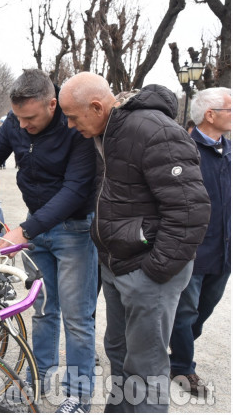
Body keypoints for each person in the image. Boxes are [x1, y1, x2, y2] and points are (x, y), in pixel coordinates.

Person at [0, 69, 98, 413]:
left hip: (75, 230)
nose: (23, 125)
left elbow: (76, 190)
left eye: (30, 118)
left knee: (77, 317)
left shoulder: (75, 127)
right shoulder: (15, 122)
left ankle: (79, 397)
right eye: (19, 117)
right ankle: (36, 380)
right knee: (42, 310)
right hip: (39, 229)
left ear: (53, 105)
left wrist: (25, 230)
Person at [59, 72, 211, 412]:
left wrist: (154, 273)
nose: (69, 125)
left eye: (72, 116)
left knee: (146, 367)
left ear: (97, 106)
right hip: (120, 265)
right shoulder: (108, 131)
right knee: (119, 352)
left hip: (146, 271)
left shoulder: (152, 131)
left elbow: (191, 211)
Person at [169, 87, 231, 397]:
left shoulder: (229, 149)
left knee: (203, 312)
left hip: (223, 250)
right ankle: (182, 367)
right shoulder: (185, 150)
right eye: (229, 110)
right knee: (186, 312)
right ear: (210, 115)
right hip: (193, 250)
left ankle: (175, 350)